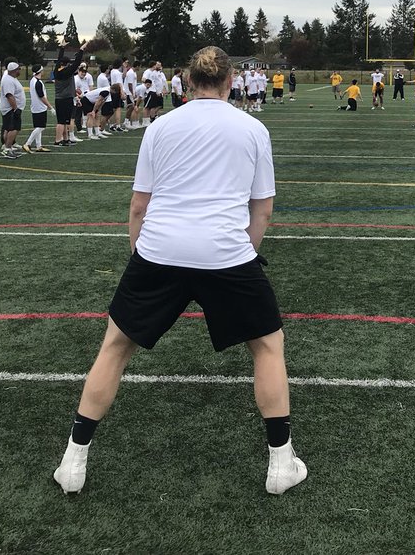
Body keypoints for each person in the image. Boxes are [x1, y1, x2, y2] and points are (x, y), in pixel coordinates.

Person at [53, 46, 305, 497]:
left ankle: (73, 460)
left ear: (188, 82)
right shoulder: (252, 128)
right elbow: (262, 210)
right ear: (230, 82)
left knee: (114, 347)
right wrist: (241, 253)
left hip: (159, 250)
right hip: (226, 254)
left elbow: (139, 205)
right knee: (267, 347)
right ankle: (281, 462)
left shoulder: (161, 126)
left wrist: (140, 253)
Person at [23, 65, 53, 152]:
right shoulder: (38, 82)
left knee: (38, 126)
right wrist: (50, 107)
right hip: (39, 107)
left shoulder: (33, 80)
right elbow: (42, 96)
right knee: (41, 127)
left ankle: (38, 145)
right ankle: (27, 143)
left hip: (35, 106)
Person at [0, 62, 26, 159]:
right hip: (10, 109)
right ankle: (7, 148)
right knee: (13, 128)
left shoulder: (11, 79)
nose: (20, 71)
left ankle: (7, 146)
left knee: (9, 128)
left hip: (11, 109)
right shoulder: (8, 80)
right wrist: (15, 109)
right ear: (15, 70)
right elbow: (9, 95)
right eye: (18, 69)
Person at [53, 54, 78, 148]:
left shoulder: (57, 70)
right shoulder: (66, 72)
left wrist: (62, 48)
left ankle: (65, 139)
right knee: (61, 121)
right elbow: (76, 63)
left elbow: (59, 60)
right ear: (67, 64)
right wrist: (81, 50)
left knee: (64, 121)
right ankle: (57, 140)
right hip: (65, 98)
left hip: (59, 98)